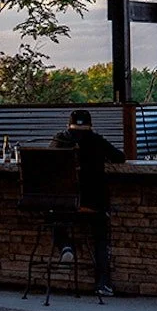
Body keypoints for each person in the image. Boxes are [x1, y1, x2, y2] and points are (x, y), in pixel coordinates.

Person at [51, 109, 126, 296]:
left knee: (52, 214)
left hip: (65, 207)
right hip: (93, 205)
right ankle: (103, 283)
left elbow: (47, 162)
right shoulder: (96, 141)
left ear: (69, 124)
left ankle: (65, 244)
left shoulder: (59, 140)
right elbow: (120, 157)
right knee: (100, 236)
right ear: (90, 126)